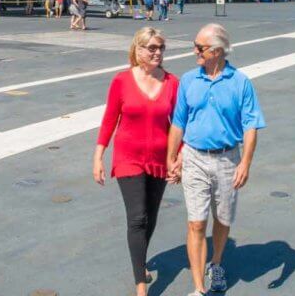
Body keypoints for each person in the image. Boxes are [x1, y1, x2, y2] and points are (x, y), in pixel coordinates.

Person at [167, 24, 266, 296]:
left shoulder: (240, 82)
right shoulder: (188, 80)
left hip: (227, 159)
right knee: (196, 222)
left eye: (200, 48)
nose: (195, 52)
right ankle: (199, 288)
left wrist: (245, 162)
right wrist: (171, 158)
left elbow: (251, 126)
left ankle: (217, 262)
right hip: (194, 157)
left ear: (218, 50)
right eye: (195, 46)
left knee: (222, 218)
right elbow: (178, 123)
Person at [94, 27, 179, 296]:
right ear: (138, 50)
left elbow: (179, 125)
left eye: (161, 48)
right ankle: (141, 288)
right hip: (128, 156)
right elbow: (110, 119)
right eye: (151, 48)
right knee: (138, 218)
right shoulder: (121, 80)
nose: (157, 52)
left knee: (151, 217)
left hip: (159, 158)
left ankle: (139, 260)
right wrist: (98, 155)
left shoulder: (172, 82)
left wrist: (179, 157)